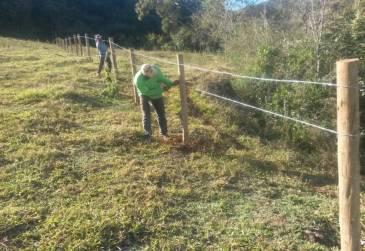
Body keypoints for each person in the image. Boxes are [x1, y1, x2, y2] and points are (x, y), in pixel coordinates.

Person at [134, 64, 179, 142]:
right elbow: (147, 92)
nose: (153, 75)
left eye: (153, 73)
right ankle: (147, 135)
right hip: (145, 95)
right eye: (150, 75)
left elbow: (163, 79)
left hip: (157, 95)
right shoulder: (139, 80)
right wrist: (162, 89)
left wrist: (171, 83)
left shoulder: (156, 70)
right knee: (146, 115)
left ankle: (164, 133)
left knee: (161, 113)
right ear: (145, 74)